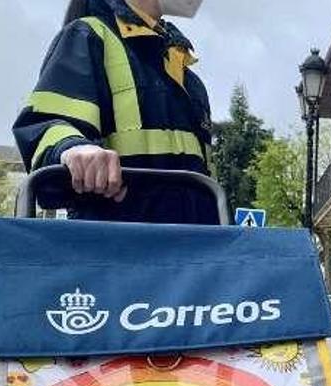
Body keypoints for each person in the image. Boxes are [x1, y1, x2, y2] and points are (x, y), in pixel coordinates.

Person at [13, 0, 216, 223]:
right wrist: (72, 148)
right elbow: (47, 124)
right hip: (116, 249)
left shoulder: (188, 78)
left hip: (194, 250)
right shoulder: (89, 36)